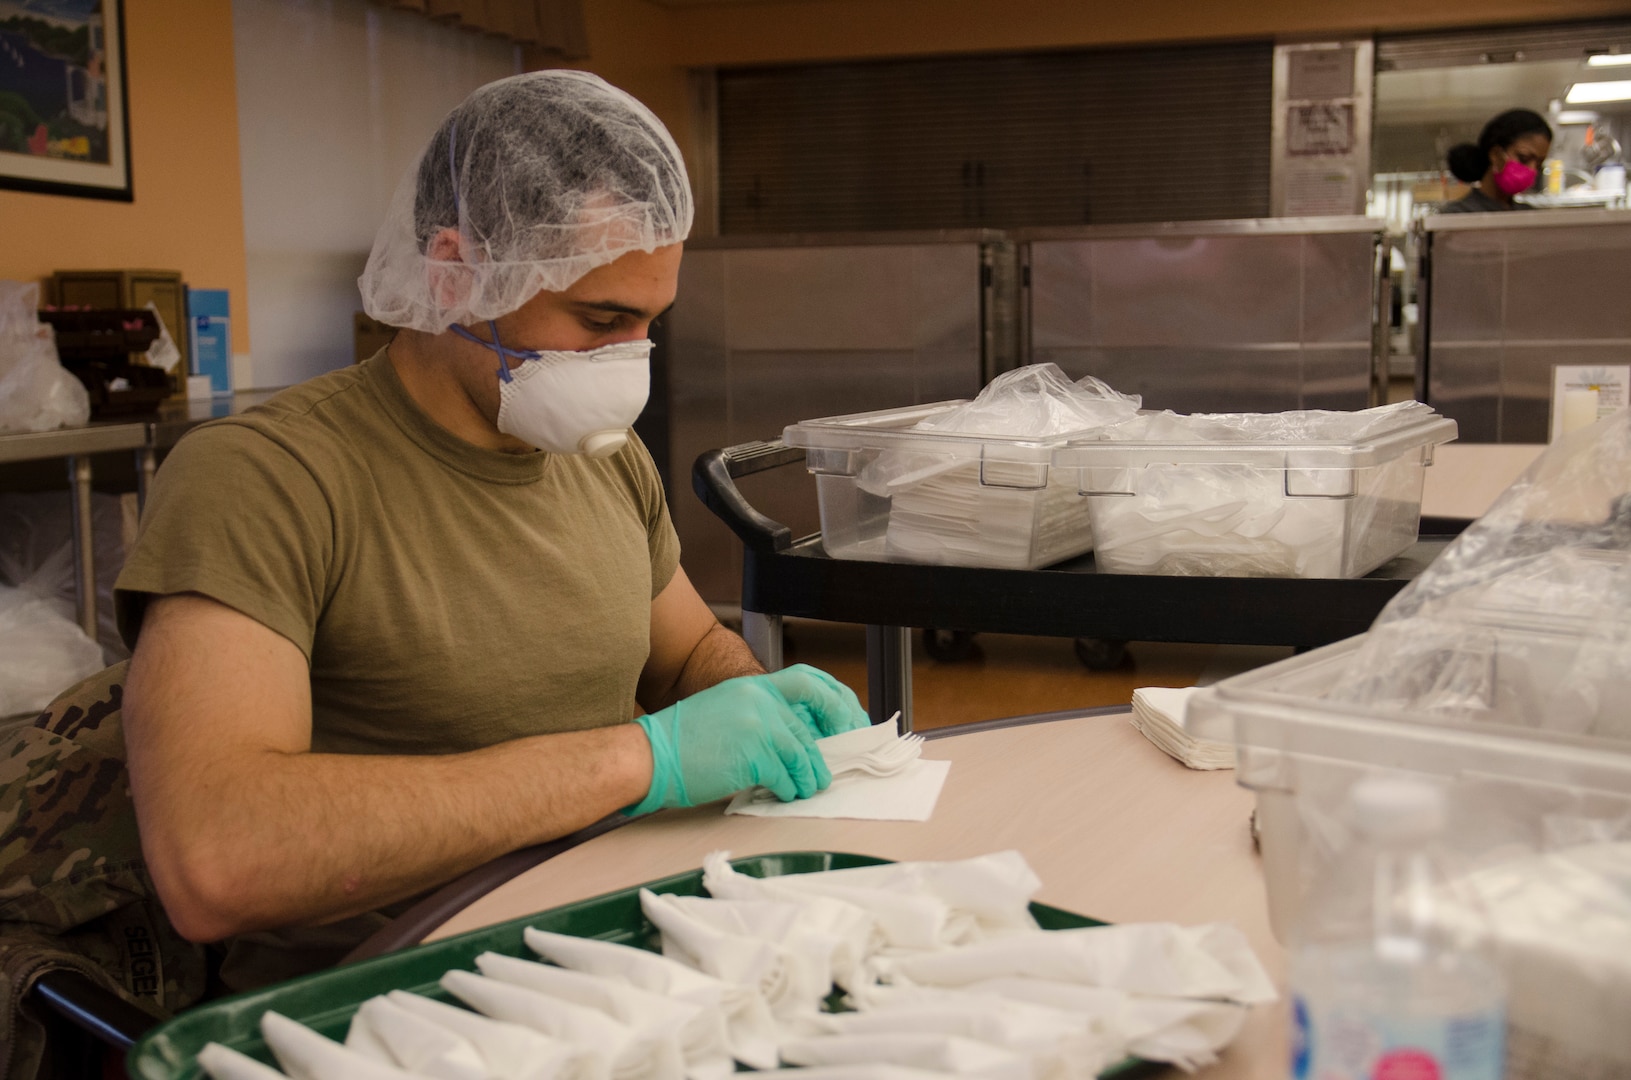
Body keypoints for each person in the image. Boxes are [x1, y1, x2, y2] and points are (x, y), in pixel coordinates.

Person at [112, 71, 869, 991]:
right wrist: (641, 760)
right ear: (455, 272)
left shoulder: (602, 457)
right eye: (600, 319)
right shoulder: (265, 479)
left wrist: (760, 706)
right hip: (392, 993)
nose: (629, 362)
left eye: (648, 325)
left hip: (612, 943)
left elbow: (684, 653)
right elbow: (215, 856)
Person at [1440, 108, 1553, 214]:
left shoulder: (1529, 214)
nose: (1532, 169)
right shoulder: (1458, 215)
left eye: (1538, 164)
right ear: (1495, 155)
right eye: (1523, 158)